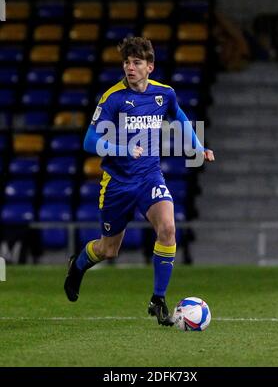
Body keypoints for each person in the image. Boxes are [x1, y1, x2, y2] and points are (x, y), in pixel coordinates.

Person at [64, 37, 215, 326]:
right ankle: (78, 264)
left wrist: (197, 146)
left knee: (168, 228)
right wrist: (123, 150)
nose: (129, 67)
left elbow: (180, 117)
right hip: (118, 183)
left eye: (136, 63)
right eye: (126, 62)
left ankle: (157, 300)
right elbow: (88, 141)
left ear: (150, 66)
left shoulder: (164, 94)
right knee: (109, 250)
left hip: (149, 176)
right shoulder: (113, 98)